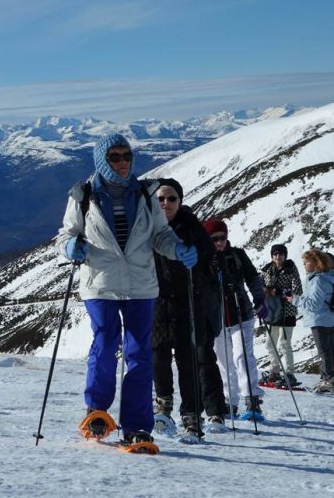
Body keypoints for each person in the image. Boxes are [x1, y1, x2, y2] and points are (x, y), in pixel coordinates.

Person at [57, 134, 197, 448]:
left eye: (126, 156)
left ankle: (136, 426)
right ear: (101, 161)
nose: (122, 163)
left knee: (139, 353)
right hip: (101, 283)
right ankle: (97, 411)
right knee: (106, 342)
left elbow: (160, 235)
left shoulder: (147, 194)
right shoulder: (84, 195)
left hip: (141, 284)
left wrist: (177, 249)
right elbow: (66, 234)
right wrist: (69, 246)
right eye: (114, 157)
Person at [150, 179, 229, 439]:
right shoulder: (147, 223)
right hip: (157, 301)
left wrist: (198, 259)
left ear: (180, 201)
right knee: (158, 355)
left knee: (188, 360)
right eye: (161, 198)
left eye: (172, 199)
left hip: (187, 302)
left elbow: (208, 257)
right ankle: (163, 405)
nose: (166, 204)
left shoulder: (191, 226)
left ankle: (191, 415)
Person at [202, 218, 267, 420]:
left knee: (242, 356)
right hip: (216, 317)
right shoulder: (204, 257)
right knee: (223, 361)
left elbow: (253, 277)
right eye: (214, 239)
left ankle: (252, 400)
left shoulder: (237, 255)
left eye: (222, 237)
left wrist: (259, 299)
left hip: (242, 313)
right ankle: (230, 402)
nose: (219, 242)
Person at [286, 249, 334, 394]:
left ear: (316, 263)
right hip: (330, 319)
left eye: (307, 262)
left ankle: (328, 381)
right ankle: (329, 379)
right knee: (330, 350)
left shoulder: (317, 280)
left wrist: (294, 299)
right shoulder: (329, 276)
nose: (304, 265)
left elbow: (314, 305)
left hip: (319, 320)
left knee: (324, 352)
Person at [260, 244, 302, 386]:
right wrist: (264, 291)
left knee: (285, 344)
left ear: (285, 255)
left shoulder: (291, 270)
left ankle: (290, 374)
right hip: (271, 312)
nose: (278, 256)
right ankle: (275, 370)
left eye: (281, 254)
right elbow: (259, 286)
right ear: (272, 255)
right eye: (275, 254)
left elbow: (297, 291)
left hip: (287, 312)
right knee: (269, 343)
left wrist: (277, 293)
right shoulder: (266, 270)